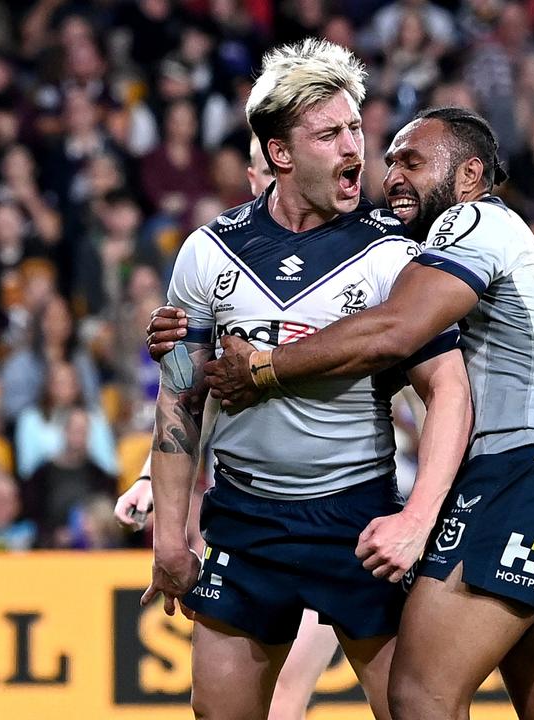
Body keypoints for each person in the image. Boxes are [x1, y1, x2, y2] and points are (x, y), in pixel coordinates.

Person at [148, 106, 534, 719]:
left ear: (470, 176)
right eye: (389, 159)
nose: (388, 173)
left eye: (411, 161)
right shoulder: (218, 251)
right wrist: (186, 343)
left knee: (419, 698)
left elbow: (393, 335)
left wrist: (262, 366)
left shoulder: (464, 228)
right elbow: (188, 383)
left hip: (487, 484)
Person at [139, 38, 472, 720]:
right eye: (330, 134)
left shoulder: (392, 256)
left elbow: (448, 390)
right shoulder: (209, 252)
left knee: (420, 713)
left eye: (356, 127)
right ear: (281, 155)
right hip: (244, 518)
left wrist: (417, 517)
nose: (356, 148)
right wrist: (170, 534)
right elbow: (179, 395)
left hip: (354, 513)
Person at [115, 135, 344, 720]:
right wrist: (149, 474)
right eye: (269, 168)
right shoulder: (223, 266)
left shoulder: (356, 250)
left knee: (293, 687)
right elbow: (193, 395)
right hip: (253, 515)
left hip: (343, 502)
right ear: (253, 173)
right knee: (246, 699)